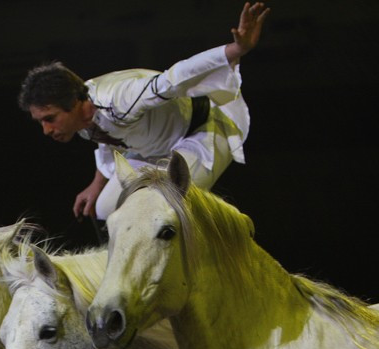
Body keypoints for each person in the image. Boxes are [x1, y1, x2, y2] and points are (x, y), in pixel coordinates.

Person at [18, 2, 270, 220]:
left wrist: (238, 49)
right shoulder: (83, 117)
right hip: (153, 151)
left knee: (163, 206)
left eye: (49, 119)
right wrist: (96, 185)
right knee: (106, 208)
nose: (47, 130)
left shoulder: (120, 99)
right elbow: (109, 138)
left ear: (73, 103)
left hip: (201, 132)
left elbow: (176, 77)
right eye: (41, 121)